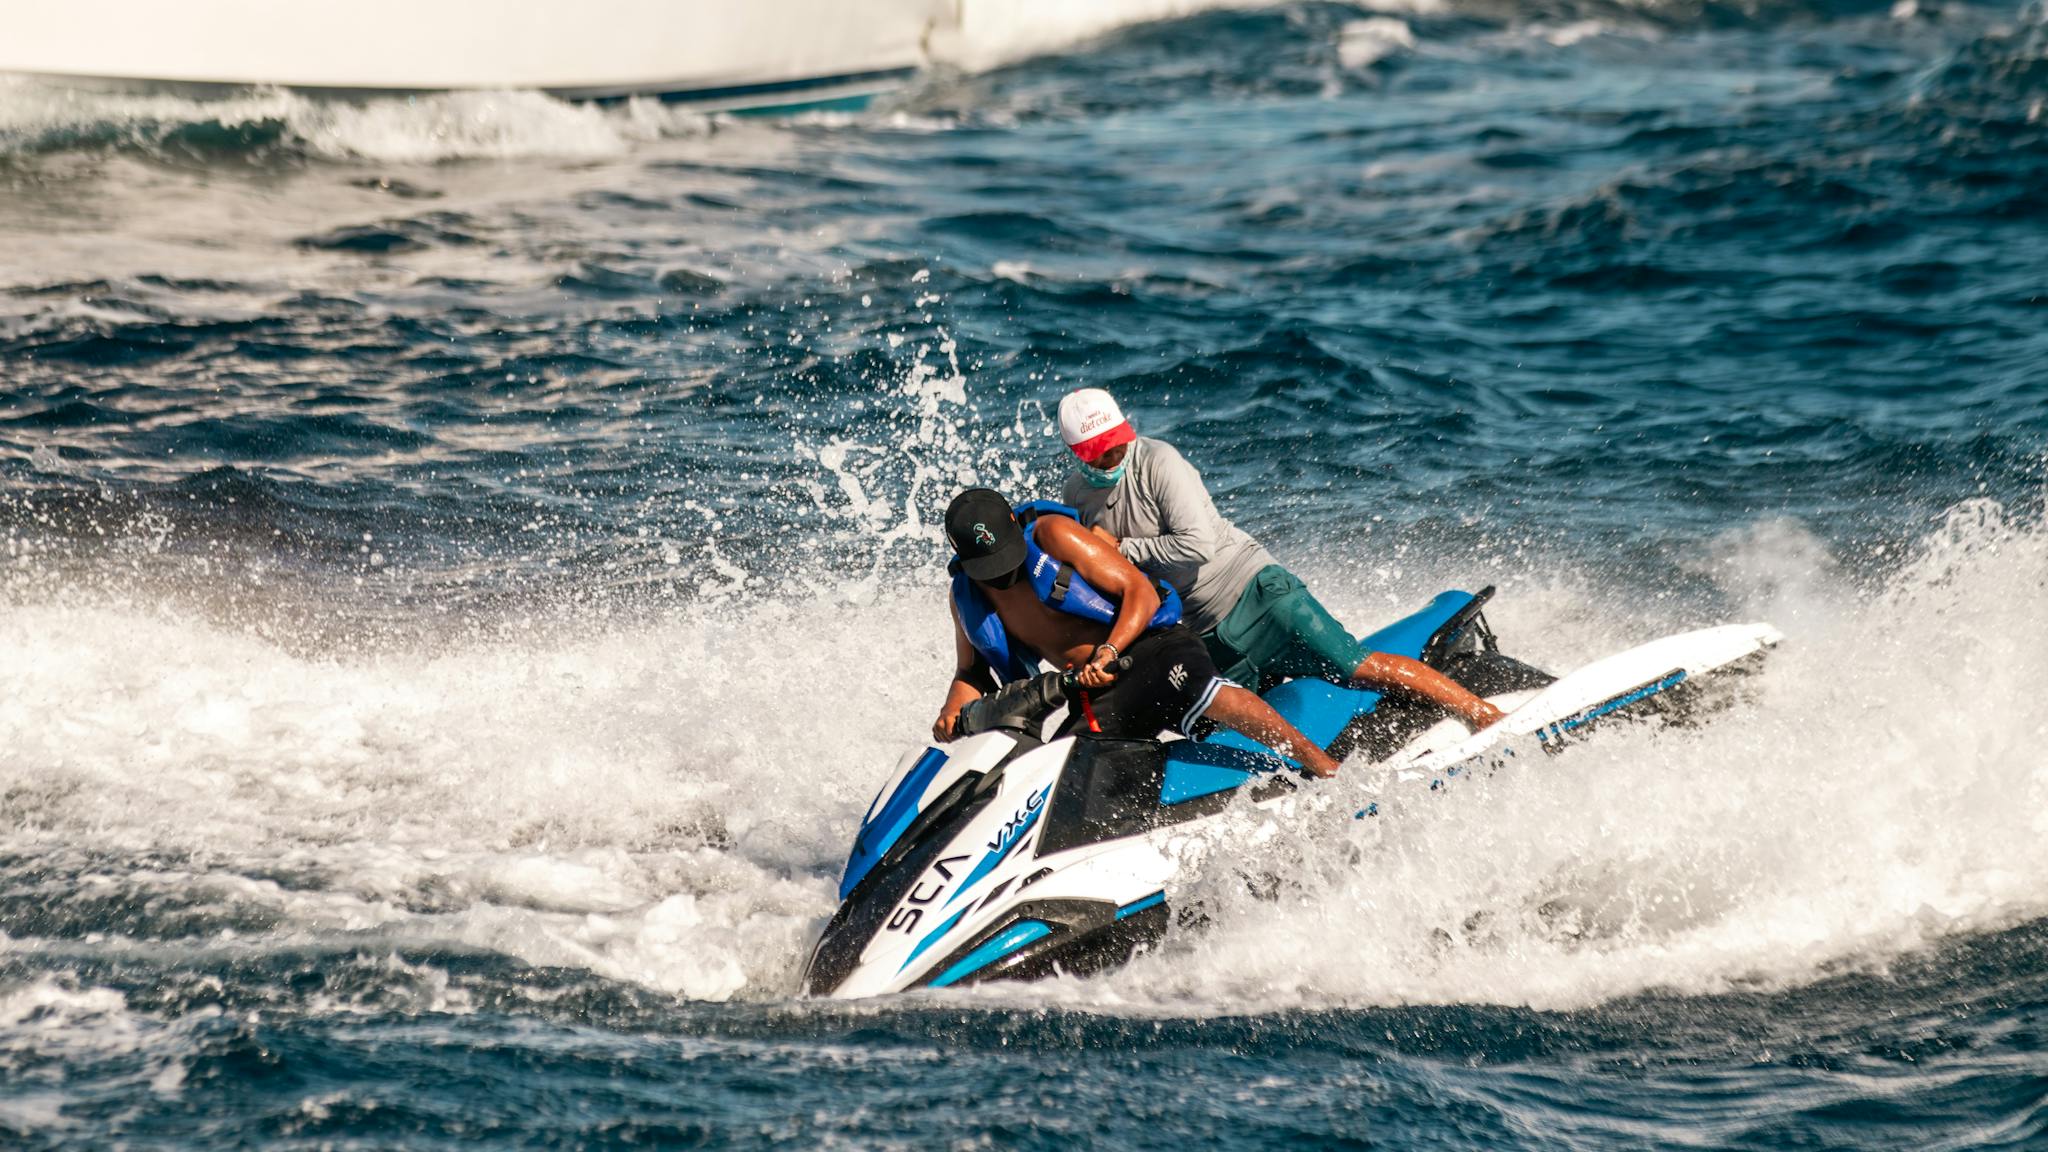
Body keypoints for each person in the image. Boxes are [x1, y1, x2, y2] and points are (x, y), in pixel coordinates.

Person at [1055, 388, 1506, 731]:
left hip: (1258, 595)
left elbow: (1197, 546)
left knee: (1357, 666)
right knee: (1225, 728)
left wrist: (1124, 550)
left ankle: (1484, 715)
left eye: (1118, 443)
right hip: (1203, 634)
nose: (1116, 455)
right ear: (1078, 454)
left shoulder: (1158, 461)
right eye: (1103, 451)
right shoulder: (1076, 497)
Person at [932, 487, 1345, 778]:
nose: (1003, 573)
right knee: (1054, 772)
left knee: (1205, 692)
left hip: (1149, 649)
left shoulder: (1052, 535)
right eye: (991, 568)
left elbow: (1139, 591)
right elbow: (971, 673)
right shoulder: (965, 596)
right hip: (1094, 695)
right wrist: (952, 713)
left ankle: (1323, 766)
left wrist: (1109, 650)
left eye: (1006, 558)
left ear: (1011, 523)